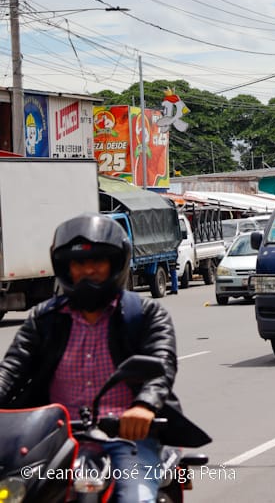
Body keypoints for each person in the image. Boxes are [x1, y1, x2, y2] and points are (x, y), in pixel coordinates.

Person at [0, 213, 210, 502]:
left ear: (115, 264)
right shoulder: (44, 318)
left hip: (128, 438)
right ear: (66, 267)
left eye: (97, 261)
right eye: (79, 263)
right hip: (51, 439)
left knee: (136, 499)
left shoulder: (146, 314)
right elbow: (11, 370)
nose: (88, 270)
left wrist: (144, 406)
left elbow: (160, 365)